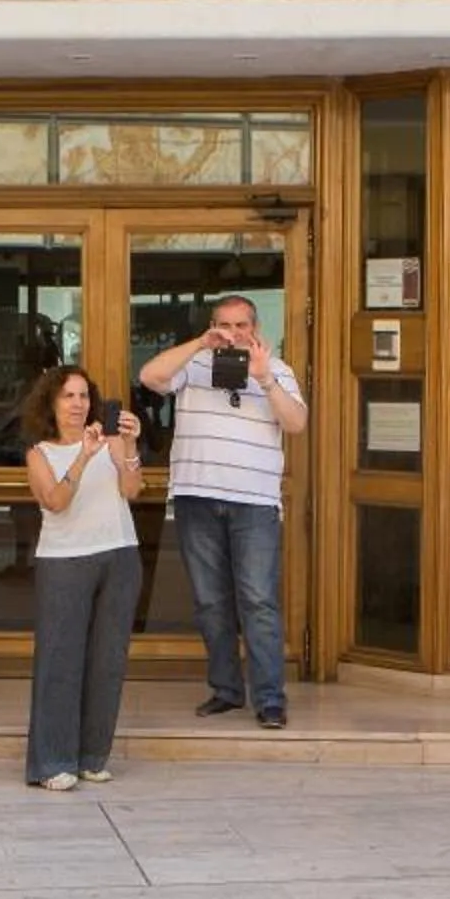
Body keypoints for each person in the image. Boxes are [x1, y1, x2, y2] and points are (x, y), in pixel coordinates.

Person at [137, 294, 307, 728]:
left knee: (258, 601)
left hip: (254, 502)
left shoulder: (277, 369)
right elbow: (149, 376)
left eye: (240, 325)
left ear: (255, 329)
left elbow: (296, 424)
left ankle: (269, 699)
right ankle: (227, 691)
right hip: (197, 496)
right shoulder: (193, 364)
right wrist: (198, 343)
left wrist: (265, 379)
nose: (232, 333)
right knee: (211, 602)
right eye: (223, 325)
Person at [21, 364, 144, 790]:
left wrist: (127, 445)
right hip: (64, 560)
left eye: (83, 396)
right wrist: (82, 456)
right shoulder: (39, 453)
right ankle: (53, 762)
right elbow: (55, 501)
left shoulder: (110, 442)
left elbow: (132, 490)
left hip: (119, 553)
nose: (78, 404)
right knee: (60, 660)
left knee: (108, 660)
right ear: (51, 405)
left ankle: (93, 756)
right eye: (68, 397)